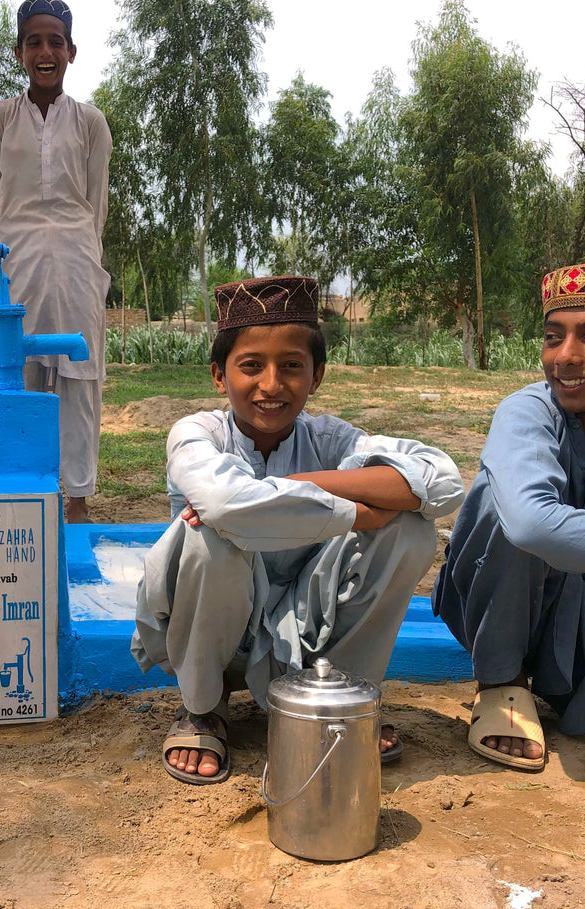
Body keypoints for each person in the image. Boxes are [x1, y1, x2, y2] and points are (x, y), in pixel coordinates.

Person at [132, 276, 465, 784]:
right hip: (215, 633)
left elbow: (441, 484)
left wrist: (302, 482)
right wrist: (353, 509)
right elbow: (226, 502)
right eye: (251, 366)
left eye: (291, 366)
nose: (271, 385)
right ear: (219, 377)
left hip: (305, 625)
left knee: (410, 533)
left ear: (317, 377)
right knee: (207, 538)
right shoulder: (197, 434)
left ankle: (338, 698)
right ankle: (202, 709)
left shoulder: (332, 439)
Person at [433, 262, 585, 771]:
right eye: (553, 336)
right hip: (504, 601)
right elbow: (532, 524)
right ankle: (502, 682)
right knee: (509, 510)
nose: (565, 356)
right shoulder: (527, 413)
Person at [0, 0, 112, 524]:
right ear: (19, 52)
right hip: (16, 259)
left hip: (77, 260)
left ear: (72, 52)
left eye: (55, 41)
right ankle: (23, 500)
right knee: (20, 374)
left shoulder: (91, 122)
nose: (45, 51)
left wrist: (77, 250)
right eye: (34, 41)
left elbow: (95, 202)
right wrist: (24, 237)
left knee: (80, 377)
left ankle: (77, 503)